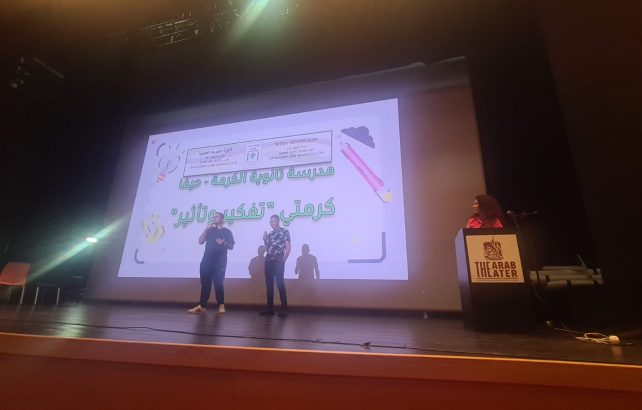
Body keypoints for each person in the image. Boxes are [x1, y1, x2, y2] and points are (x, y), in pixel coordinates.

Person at [188, 212, 235, 314]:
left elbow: (231, 246)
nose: (214, 218)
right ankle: (202, 306)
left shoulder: (227, 232)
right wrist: (206, 229)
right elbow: (200, 241)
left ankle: (221, 305)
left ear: (222, 219)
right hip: (206, 261)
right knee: (205, 284)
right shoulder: (210, 230)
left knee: (218, 283)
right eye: (214, 217)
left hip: (220, 262)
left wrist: (224, 243)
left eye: (217, 217)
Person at [260, 215, 291, 317]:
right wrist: (265, 240)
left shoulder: (284, 232)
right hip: (269, 260)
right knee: (269, 285)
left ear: (278, 221)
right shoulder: (270, 234)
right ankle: (270, 308)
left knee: (280, 283)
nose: (272, 223)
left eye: (273, 221)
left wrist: (284, 260)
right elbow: (267, 248)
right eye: (271, 222)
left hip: (279, 260)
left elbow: (288, 247)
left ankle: (284, 308)